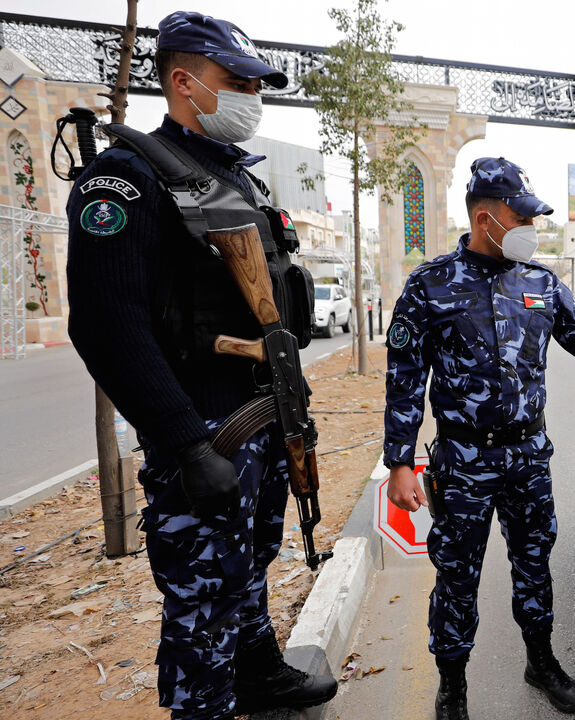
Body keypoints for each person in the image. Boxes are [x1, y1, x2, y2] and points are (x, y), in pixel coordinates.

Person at [65, 11, 335, 720]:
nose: (252, 93)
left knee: (248, 567)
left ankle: (259, 673)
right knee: (201, 603)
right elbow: (106, 327)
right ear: (183, 82)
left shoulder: (235, 179)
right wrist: (183, 442)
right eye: (237, 81)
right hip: (202, 435)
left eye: (257, 83)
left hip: (261, 421)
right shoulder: (126, 177)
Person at [383, 157, 575, 719]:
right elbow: (405, 378)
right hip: (461, 460)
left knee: (535, 562)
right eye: (521, 216)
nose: (532, 227)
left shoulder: (540, 282)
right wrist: (400, 463)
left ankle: (541, 660)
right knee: (458, 575)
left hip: (528, 455)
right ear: (485, 219)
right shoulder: (429, 287)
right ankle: (452, 684)